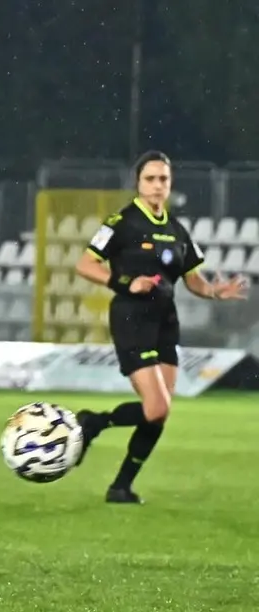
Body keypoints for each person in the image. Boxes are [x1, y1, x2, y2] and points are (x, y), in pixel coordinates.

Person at [74, 150, 248, 504]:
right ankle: (94, 422)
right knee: (155, 408)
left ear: (170, 184)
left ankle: (121, 487)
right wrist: (126, 283)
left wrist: (215, 291)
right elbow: (85, 265)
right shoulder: (121, 222)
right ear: (138, 183)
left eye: (163, 179)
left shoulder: (176, 229)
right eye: (150, 179)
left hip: (165, 322)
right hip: (131, 318)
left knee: (159, 414)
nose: (157, 185)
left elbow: (192, 279)